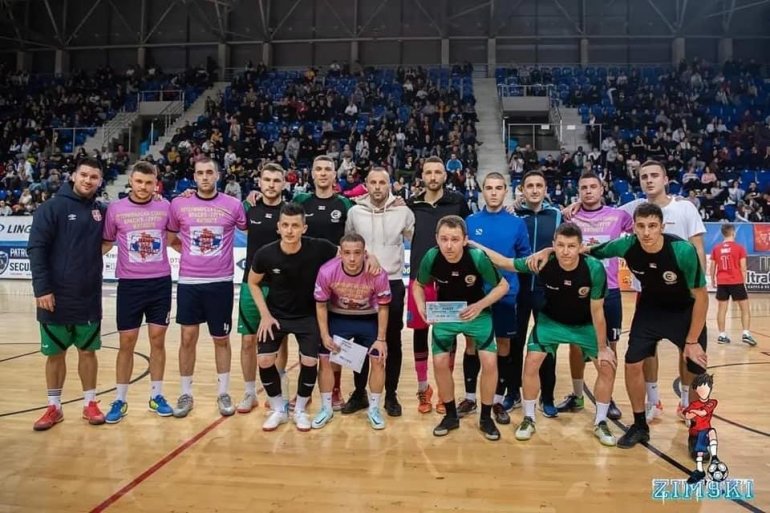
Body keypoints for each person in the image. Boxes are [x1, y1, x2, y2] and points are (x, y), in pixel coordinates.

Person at [565, 160, 706, 425]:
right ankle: (653, 402)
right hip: (649, 295)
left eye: (655, 175)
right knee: (644, 353)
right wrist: (575, 207)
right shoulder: (631, 209)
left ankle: (688, 405)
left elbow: (698, 247)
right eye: (644, 176)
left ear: (666, 179)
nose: (649, 180)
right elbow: (601, 215)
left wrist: (699, 283)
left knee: (688, 352)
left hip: (684, 295)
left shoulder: (684, 208)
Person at [475, 222, 618, 446]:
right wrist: (473, 244)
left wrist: (602, 348)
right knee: (531, 362)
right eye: (560, 245)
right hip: (551, 322)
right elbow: (505, 263)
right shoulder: (541, 261)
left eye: (571, 246)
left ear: (580, 247)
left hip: (584, 325)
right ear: (553, 245)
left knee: (607, 366)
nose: (565, 251)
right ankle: (529, 418)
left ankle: (600, 421)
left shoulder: (594, 268)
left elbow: (598, 311)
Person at [579, 202, 708, 450]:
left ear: (662, 227)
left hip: (684, 310)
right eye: (641, 226)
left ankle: (697, 431)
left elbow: (702, 297)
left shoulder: (682, 251)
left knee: (696, 368)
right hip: (651, 309)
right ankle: (640, 426)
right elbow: (590, 251)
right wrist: (551, 251)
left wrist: (692, 341)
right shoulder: (626, 245)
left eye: (652, 226)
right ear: (634, 228)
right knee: (632, 363)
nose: (646, 232)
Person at [28, 157, 107, 430]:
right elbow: (36, 249)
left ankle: (90, 403)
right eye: (84, 175)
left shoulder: (101, 211)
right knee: (55, 354)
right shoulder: (51, 208)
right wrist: (42, 289)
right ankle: (54, 407)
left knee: (88, 352)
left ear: (100, 181)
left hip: (88, 296)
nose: (88, 180)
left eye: (94, 177)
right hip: (54, 297)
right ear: (73, 175)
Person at [413, 215, 509, 441]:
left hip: (477, 313)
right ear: (436, 239)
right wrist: (421, 306)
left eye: (455, 239)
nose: (449, 245)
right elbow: (418, 284)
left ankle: (485, 417)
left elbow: (503, 286)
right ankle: (450, 415)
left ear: (465, 240)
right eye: (444, 239)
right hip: (445, 314)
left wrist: (480, 305)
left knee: (489, 362)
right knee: (439, 362)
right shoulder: (432, 256)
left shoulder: (477, 257)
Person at [167, 157, 248, 418]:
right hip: (189, 282)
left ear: (217, 175)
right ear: (194, 176)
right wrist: (191, 253)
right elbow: (171, 238)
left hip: (221, 282)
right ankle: (185, 393)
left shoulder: (233, 205)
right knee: (187, 338)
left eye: (209, 172)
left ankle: (223, 392)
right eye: (200, 173)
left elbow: (251, 229)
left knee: (221, 339)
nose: (204, 177)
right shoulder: (179, 204)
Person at [247, 203, 339, 432]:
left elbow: (347, 252)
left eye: (295, 226)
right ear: (278, 227)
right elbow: (253, 282)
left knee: (309, 361)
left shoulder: (319, 248)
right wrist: (265, 315)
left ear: (304, 228)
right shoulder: (265, 253)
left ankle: (299, 410)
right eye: (285, 225)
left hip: (307, 315)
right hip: (275, 315)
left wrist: (371, 258)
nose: (290, 230)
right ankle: (279, 409)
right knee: (264, 360)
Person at [101, 161, 174, 423]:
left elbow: (173, 238)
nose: (143, 187)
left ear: (156, 184)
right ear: (131, 181)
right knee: (127, 342)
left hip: (160, 283)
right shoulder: (115, 209)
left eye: (149, 182)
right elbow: (106, 242)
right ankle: (120, 399)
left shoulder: (166, 207)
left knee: (157, 340)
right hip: (129, 285)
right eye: (139, 181)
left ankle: (157, 396)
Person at [555, 171, 632, 420]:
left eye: (592, 187)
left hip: (610, 291)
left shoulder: (618, 215)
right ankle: (577, 396)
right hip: (578, 292)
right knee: (575, 345)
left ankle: (607, 398)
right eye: (583, 188)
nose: (588, 191)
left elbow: (642, 226)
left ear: (602, 189)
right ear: (578, 191)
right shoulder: (570, 216)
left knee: (610, 346)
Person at [346, 167, 415, 417]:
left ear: (389, 185)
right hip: (360, 284)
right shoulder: (354, 212)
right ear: (366, 185)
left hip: (393, 282)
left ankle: (391, 395)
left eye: (382, 182)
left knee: (393, 341)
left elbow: (415, 238)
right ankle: (359, 393)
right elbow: (348, 245)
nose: (377, 187)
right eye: (373, 182)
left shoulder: (403, 211)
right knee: (360, 341)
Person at [463, 172, 530, 425]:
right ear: (482, 191)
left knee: (504, 346)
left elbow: (523, 260)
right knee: (472, 345)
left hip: (506, 296)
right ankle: (470, 398)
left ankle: (498, 401)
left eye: (498, 188)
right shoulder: (470, 222)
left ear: (506, 191)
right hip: (474, 296)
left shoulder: (516, 224)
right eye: (489, 188)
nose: (493, 192)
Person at [406, 156, 470, 414]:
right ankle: (423, 388)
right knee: (420, 334)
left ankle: (445, 392)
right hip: (420, 281)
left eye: (438, 172)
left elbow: (473, 229)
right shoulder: (411, 204)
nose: (433, 177)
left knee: (447, 335)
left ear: (445, 175)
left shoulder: (458, 202)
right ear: (422, 176)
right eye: (428, 172)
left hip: (451, 281)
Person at [292, 155, 354, 411]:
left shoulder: (344, 204)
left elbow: (353, 238)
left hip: (336, 281)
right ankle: (303, 393)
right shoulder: (300, 201)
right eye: (318, 169)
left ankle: (335, 390)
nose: (323, 173)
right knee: (306, 339)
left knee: (336, 339)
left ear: (334, 174)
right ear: (312, 174)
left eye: (328, 169)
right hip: (303, 280)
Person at [312, 233, 391, 430]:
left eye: (357, 253)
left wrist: (381, 339)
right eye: (347, 253)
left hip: (368, 318)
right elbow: (320, 305)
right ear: (340, 253)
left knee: (378, 358)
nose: (352, 258)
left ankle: (374, 409)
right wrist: (324, 335)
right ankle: (326, 408)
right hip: (339, 317)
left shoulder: (377, 273)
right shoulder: (327, 271)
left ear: (365, 253)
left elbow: (383, 307)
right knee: (325, 358)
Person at [236, 163, 290, 414]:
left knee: (280, 341)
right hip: (251, 283)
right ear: (259, 182)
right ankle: (250, 393)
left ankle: (277, 391)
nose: (271, 184)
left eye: (276, 180)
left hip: (281, 285)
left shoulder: (289, 211)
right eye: (267, 179)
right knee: (248, 340)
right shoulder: (248, 208)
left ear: (284, 184)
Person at [511, 170, 562, 417]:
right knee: (515, 344)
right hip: (518, 291)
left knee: (547, 346)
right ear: (522, 190)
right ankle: (512, 393)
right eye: (529, 185)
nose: (534, 190)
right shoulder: (513, 215)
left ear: (545, 190)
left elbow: (566, 244)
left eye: (538, 185)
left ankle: (548, 396)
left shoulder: (557, 215)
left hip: (547, 292)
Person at [710, 223, 756, 346]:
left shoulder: (716, 248)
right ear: (733, 233)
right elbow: (743, 267)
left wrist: (713, 280)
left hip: (722, 282)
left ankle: (722, 335)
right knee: (745, 309)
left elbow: (712, 266)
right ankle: (746, 333)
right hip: (736, 281)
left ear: (722, 234)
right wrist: (744, 281)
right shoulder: (739, 248)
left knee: (722, 309)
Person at [684, 373, 721, 484]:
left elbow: (703, 412)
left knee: (696, 368)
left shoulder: (712, 402)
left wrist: (693, 412)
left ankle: (714, 457)